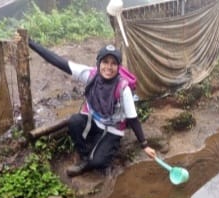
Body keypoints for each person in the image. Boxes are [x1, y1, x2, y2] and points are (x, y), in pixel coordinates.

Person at [27, 39, 157, 176]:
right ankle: (84, 157)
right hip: (94, 119)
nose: (108, 67)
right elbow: (59, 62)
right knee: (74, 122)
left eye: (113, 63)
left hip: (113, 128)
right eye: (105, 62)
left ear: (118, 67)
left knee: (98, 163)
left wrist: (145, 145)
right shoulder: (90, 75)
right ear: (99, 62)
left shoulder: (123, 88)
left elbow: (133, 119)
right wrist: (30, 43)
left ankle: (95, 158)